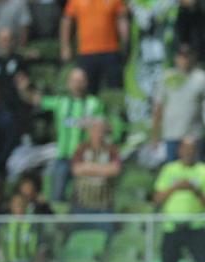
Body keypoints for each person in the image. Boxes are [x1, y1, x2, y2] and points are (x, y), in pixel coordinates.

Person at [24, 67, 104, 202]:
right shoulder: (61, 102)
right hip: (63, 158)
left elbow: (105, 127)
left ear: (86, 83)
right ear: (68, 83)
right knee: (57, 197)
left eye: (81, 80)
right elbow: (36, 100)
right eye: (74, 80)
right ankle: (58, 222)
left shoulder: (94, 103)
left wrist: (94, 124)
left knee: (85, 199)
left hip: (85, 159)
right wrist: (24, 89)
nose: (78, 84)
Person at [153, 44, 205, 164]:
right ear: (176, 58)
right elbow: (158, 106)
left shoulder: (202, 77)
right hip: (171, 134)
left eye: (187, 56)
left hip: (195, 135)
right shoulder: (166, 77)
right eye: (181, 56)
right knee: (172, 172)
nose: (184, 60)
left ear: (193, 57)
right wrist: (155, 134)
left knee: (196, 173)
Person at [61, 0, 129, 93]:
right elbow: (67, 21)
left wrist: (126, 44)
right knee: (87, 91)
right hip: (86, 53)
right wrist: (65, 47)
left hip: (111, 51)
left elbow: (122, 20)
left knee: (114, 89)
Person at [70, 118, 122, 220]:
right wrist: (104, 170)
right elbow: (76, 169)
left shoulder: (111, 149)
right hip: (82, 204)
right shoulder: (82, 148)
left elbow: (115, 169)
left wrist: (88, 167)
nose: (98, 133)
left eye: (101, 130)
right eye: (95, 130)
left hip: (104, 205)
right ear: (90, 132)